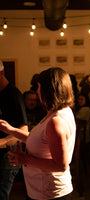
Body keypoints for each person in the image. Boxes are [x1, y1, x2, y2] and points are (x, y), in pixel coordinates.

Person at [0, 67, 76, 200]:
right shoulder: (61, 111)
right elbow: (41, 141)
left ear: (49, 90)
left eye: (39, 87)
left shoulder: (55, 121)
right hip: (42, 190)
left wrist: (24, 159)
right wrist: (11, 130)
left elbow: (60, 165)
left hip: (50, 193)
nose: (37, 91)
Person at [0, 60, 28, 200]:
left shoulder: (13, 95)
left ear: (2, 73)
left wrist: (1, 142)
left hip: (7, 155)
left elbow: (23, 131)